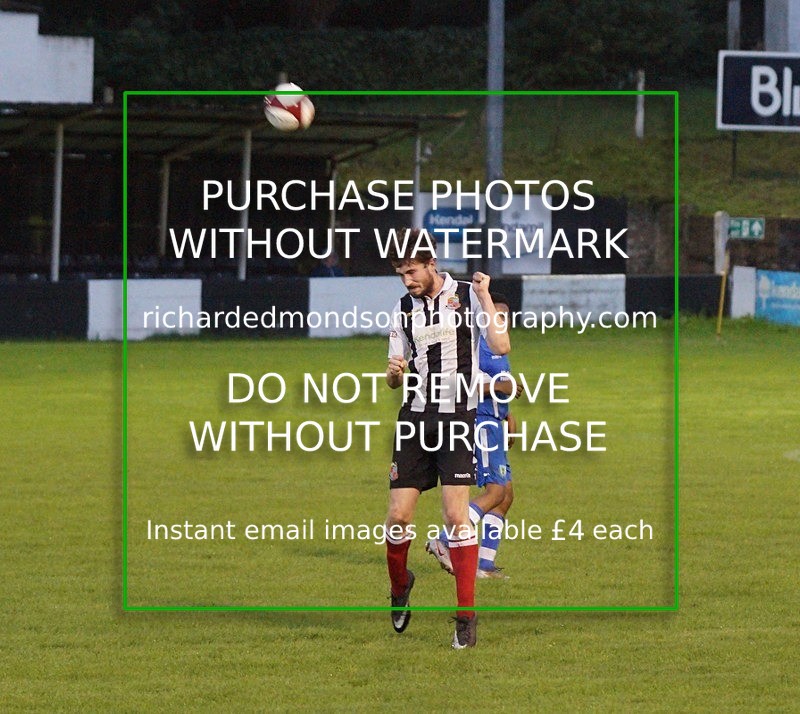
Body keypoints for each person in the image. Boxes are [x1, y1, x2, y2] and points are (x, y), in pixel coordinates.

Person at [384, 229, 510, 649]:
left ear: (432, 264)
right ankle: (400, 586)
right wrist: (393, 374)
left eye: (413, 271)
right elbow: (392, 373)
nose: (407, 280)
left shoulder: (467, 294)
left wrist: (487, 296)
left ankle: (466, 619)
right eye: (401, 273)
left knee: (456, 518)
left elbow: (500, 342)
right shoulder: (402, 309)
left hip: (457, 415)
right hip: (415, 419)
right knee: (398, 518)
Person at [426, 293, 521, 579]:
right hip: (479, 424)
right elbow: (463, 384)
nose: (499, 323)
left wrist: (507, 415)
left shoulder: (499, 350)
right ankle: (444, 538)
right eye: (495, 317)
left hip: (493, 421)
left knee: (506, 495)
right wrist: (500, 388)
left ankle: (484, 564)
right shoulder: (474, 345)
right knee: (496, 492)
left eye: (503, 318)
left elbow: (501, 386)